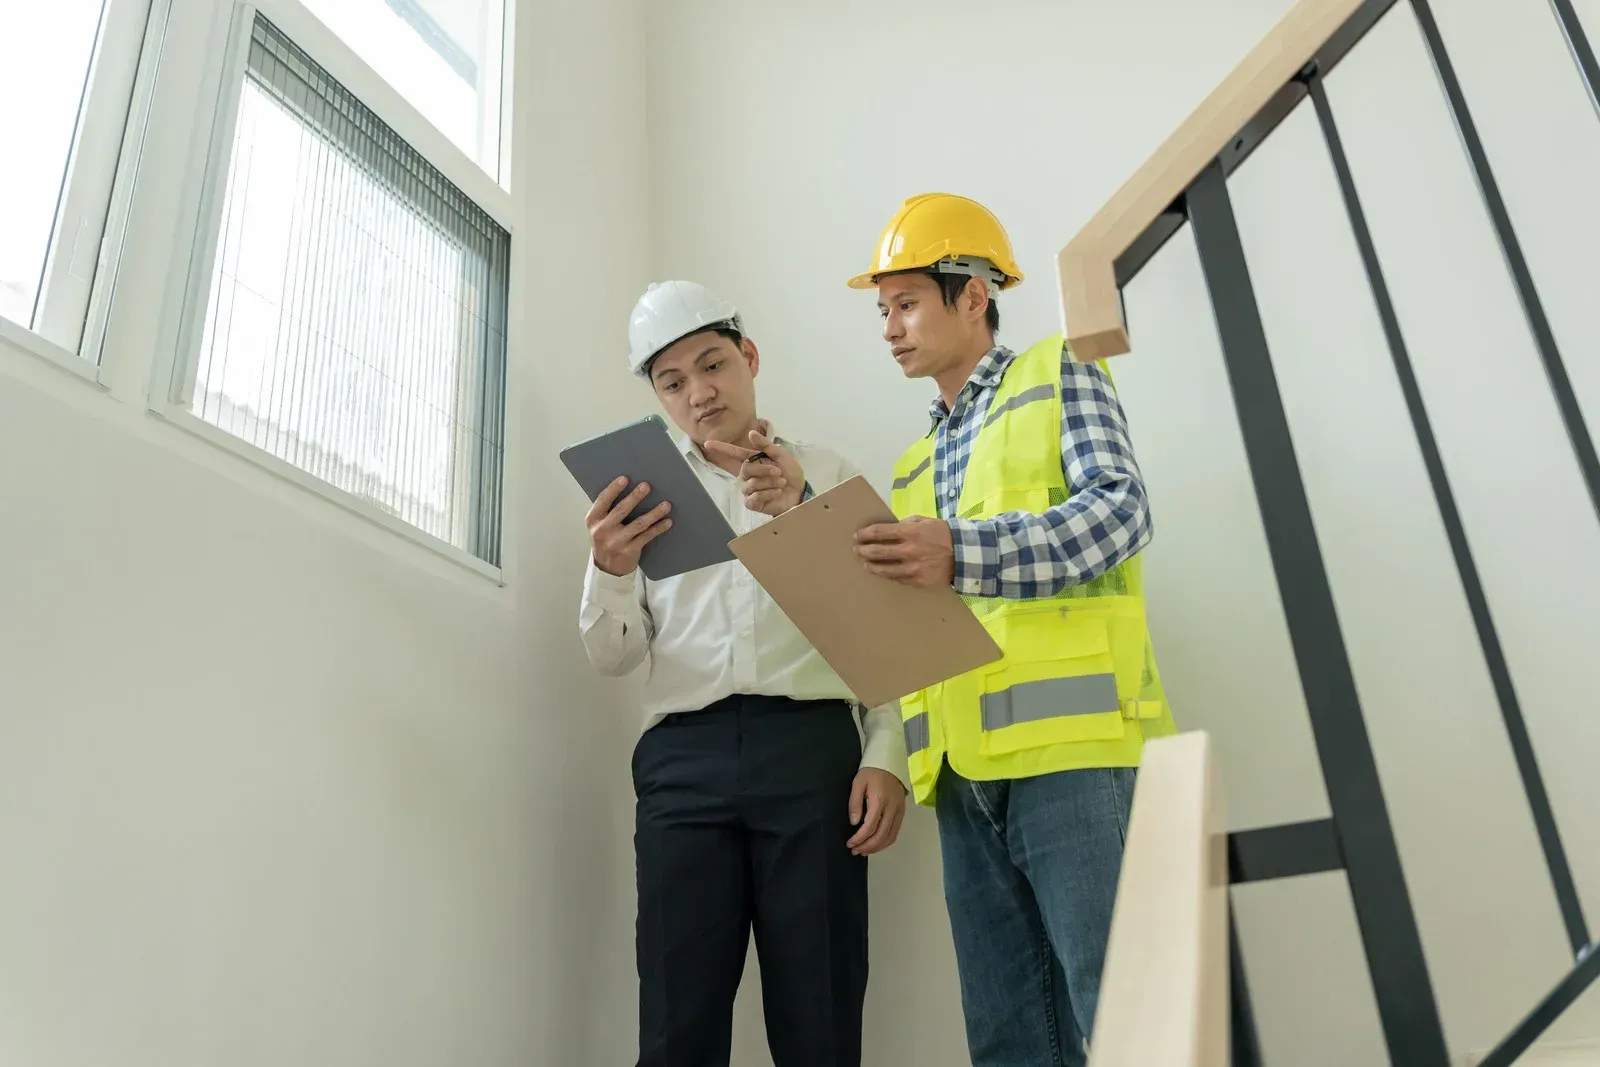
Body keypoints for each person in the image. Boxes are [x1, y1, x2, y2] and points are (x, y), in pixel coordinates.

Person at [845, 194, 1179, 1067]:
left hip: (1072, 753)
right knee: (1007, 1035)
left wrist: (959, 551)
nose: (891, 328)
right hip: (960, 773)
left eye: (908, 301)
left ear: (975, 294)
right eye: (883, 309)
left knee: (1120, 1007)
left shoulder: (1056, 373)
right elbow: (923, 608)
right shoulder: (912, 462)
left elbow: (1120, 513)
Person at [578, 279, 909, 1067]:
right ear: (658, 394)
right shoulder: (634, 499)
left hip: (812, 756)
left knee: (819, 1013)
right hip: (681, 763)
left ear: (748, 357)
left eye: (712, 364)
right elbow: (612, 653)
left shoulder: (828, 473)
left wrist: (886, 751)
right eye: (672, 381)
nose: (698, 392)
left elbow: (889, 627)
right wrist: (609, 567)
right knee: (674, 1020)